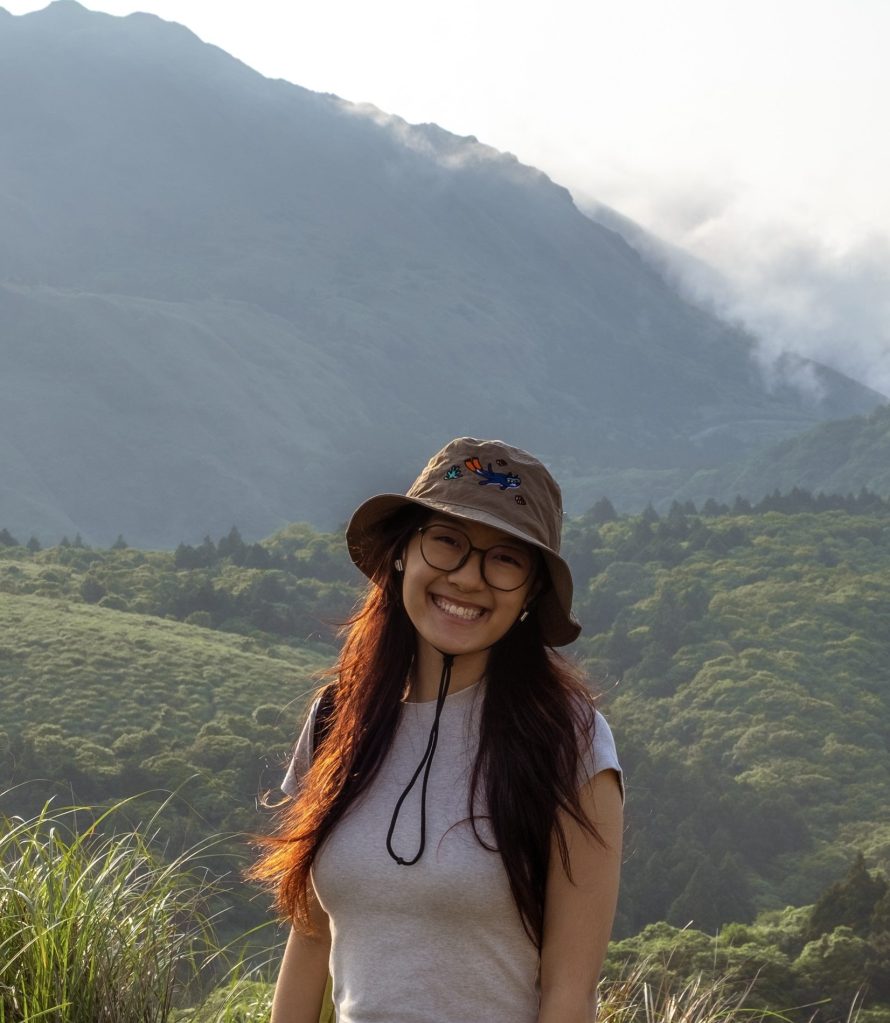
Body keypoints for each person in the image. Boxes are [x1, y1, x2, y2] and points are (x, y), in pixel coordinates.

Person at [251, 437, 624, 1023]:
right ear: (403, 552)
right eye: (447, 540)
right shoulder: (337, 721)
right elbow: (312, 937)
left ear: (531, 592)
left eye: (505, 559)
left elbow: (569, 993)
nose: (468, 578)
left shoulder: (567, 741)